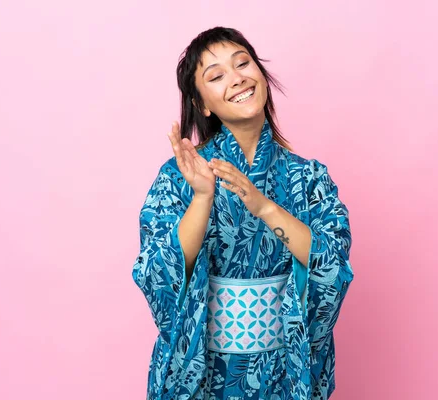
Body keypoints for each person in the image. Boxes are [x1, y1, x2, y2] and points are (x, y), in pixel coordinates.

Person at [132, 27, 354, 400]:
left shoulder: (309, 177)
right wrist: (202, 197)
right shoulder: (179, 176)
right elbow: (157, 270)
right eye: (216, 76)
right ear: (202, 104)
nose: (237, 79)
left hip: (284, 370)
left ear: (261, 74)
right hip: (205, 372)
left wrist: (265, 206)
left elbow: (332, 264)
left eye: (243, 64)